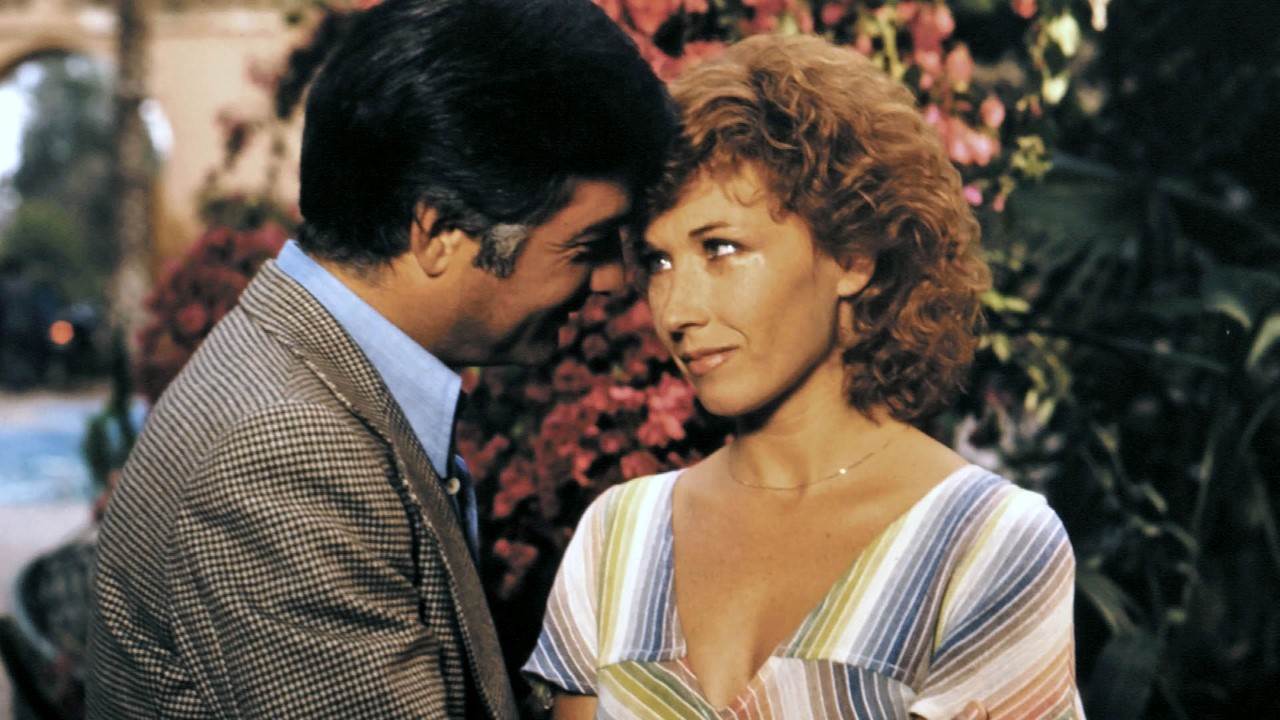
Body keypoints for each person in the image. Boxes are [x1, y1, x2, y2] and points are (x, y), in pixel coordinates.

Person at [85, 0, 674, 717]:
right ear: (440, 231)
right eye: (587, 246)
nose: (613, 279)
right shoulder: (287, 453)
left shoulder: (302, 372)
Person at [524, 34, 1083, 719]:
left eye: (721, 248)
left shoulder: (986, 545)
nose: (676, 311)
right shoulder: (619, 537)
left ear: (854, 255)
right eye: (659, 262)